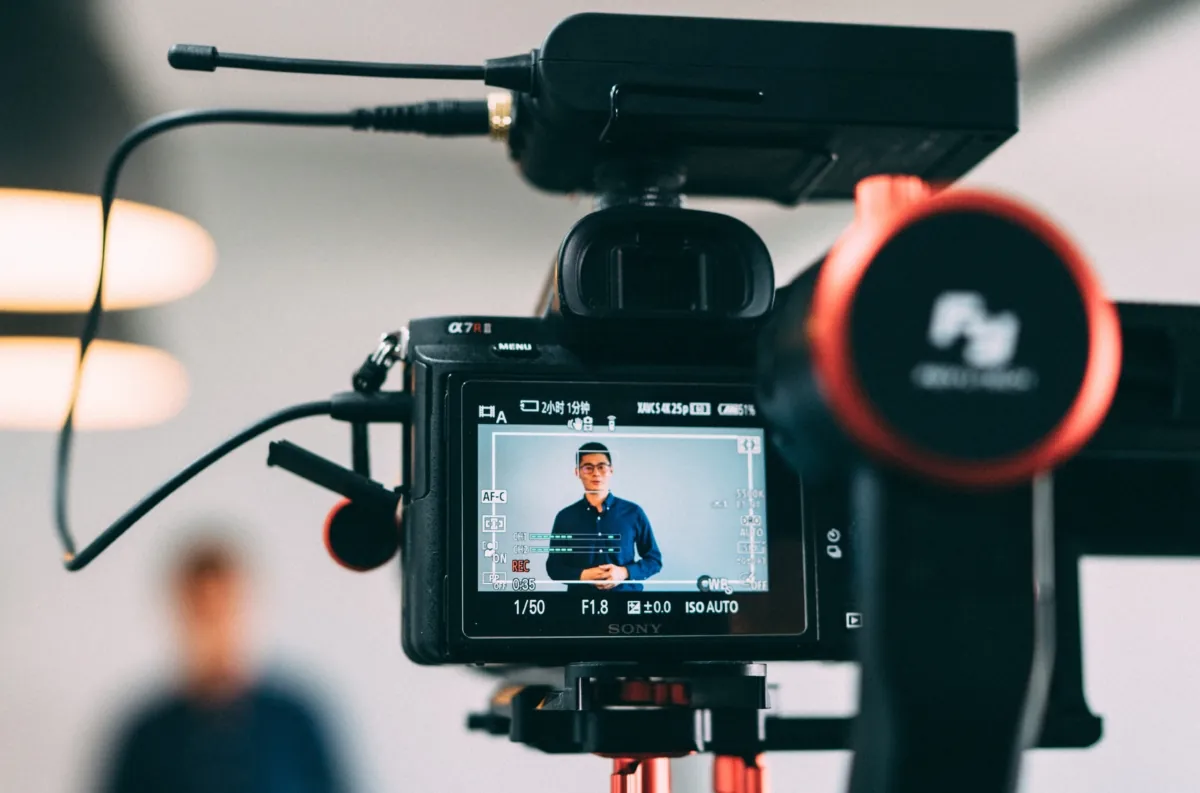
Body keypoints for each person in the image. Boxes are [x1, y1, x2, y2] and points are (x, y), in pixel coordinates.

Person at [99, 538, 346, 793]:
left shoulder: (297, 724)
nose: (217, 628)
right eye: (203, 612)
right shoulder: (146, 738)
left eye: (227, 608)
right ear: (181, 614)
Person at [546, 442, 663, 591]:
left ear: (611, 470)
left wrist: (624, 572)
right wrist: (584, 575)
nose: (596, 473)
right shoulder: (565, 517)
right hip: (580, 606)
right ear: (578, 472)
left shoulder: (633, 513)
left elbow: (654, 560)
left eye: (602, 467)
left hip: (627, 605)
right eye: (588, 468)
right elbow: (554, 567)